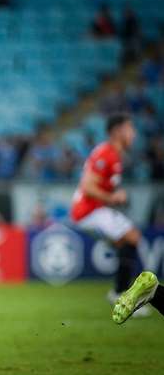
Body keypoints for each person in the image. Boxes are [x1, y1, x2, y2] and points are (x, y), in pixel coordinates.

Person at [70, 113, 149, 316]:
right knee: (133, 237)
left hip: (92, 211)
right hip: (88, 211)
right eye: (130, 128)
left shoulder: (112, 154)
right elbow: (86, 186)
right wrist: (112, 197)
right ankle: (122, 295)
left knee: (126, 243)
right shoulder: (107, 153)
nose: (134, 133)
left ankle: (120, 295)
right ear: (117, 131)